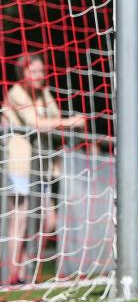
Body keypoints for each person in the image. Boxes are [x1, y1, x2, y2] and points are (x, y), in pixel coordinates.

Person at [2, 53, 85, 285]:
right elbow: (37, 124)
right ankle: (14, 273)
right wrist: (70, 122)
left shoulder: (44, 93)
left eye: (41, 71)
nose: (39, 75)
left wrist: (65, 126)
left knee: (47, 220)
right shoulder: (16, 93)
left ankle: (26, 268)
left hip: (44, 166)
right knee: (19, 219)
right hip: (20, 164)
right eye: (34, 71)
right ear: (23, 72)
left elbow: (54, 121)